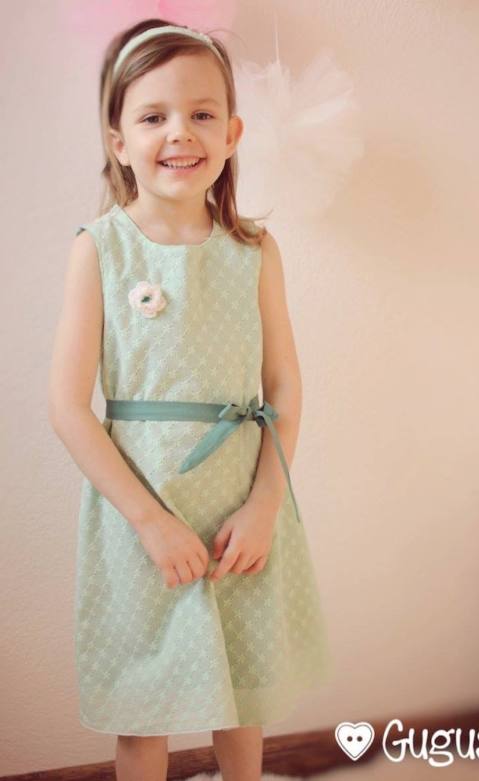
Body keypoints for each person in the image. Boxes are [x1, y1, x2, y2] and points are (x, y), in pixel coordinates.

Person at [48, 17, 333, 781]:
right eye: (154, 116)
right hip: (140, 514)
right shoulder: (100, 249)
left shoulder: (254, 251)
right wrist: (149, 521)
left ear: (232, 133)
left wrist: (265, 503)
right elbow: (68, 407)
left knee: (242, 692)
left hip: (239, 504)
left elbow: (282, 386)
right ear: (119, 142)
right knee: (144, 704)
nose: (180, 132)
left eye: (202, 113)